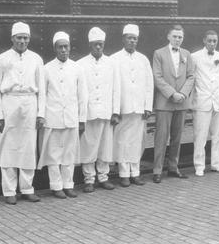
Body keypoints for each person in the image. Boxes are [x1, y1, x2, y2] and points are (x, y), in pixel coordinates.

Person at [0, 22, 45, 205]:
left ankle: (27, 189)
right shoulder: (1, 59)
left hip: (30, 104)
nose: (22, 41)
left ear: (29, 39)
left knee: (28, 147)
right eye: (19, 37)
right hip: (9, 104)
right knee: (8, 149)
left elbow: (42, 89)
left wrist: (40, 113)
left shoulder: (36, 59)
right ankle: (9, 191)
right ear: (12, 38)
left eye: (25, 38)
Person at [38, 32, 88, 198]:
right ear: (55, 49)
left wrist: (81, 119)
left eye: (66, 47)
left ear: (70, 48)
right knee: (53, 155)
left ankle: (68, 185)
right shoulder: (46, 69)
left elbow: (83, 96)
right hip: (53, 118)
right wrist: (42, 116)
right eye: (60, 47)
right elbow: (43, 96)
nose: (64, 50)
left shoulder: (77, 68)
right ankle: (56, 186)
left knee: (69, 154)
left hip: (71, 118)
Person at [152, 25, 195, 183]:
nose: (178, 39)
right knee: (161, 138)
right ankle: (157, 170)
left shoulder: (186, 54)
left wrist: (183, 93)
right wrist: (172, 94)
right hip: (165, 102)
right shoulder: (159, 54)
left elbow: (191, 76)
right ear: (168, 37)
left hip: (181, 102)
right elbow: (157, 77)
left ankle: (173, 167)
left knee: (177, 138)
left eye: (180, 37)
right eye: (175, 36)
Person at [111, 24, 154, 186]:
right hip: (124, 108)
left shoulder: (143, 59)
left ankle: (135, 172)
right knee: (122, 141)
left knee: (137, 141)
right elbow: (114, 87)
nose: (132, 41)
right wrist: (116, 110)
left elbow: (149, 84)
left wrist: (148, 106)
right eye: (129, 38)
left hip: (139, 108)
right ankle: (123, 174)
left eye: (134, 38)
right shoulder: (115, 59)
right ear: (123, 39)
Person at [77, 27, 118, 192]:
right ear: (90, 45)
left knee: (105, 146)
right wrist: (81, 116)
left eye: (101, 44)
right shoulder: (80, 64)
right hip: (89, 113)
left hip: (106, 112)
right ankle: (89, 179)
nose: (98, 47)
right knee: (88, 146)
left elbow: (116, 89)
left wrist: (115, 111)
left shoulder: (111, 63)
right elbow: (80, 93)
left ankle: (103, 177)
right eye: (95, 44)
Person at [191, 30, 219, 176]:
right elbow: (192, 78)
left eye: (215, 41)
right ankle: (199, 165)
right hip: (202, 101)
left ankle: (215, 163)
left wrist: (218, 89)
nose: (212, 43)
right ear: (204, 41)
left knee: (217, 134)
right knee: (200, 135)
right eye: (210, 41)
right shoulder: (195, 57)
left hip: (217, 100)